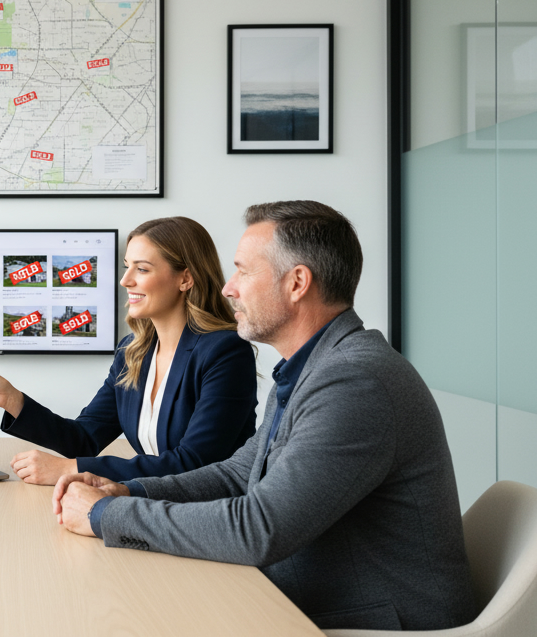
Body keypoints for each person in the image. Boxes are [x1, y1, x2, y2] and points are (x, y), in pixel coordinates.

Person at [53, 201, 475, 632]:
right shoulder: (310, 368)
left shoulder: (354, 381)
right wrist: (127, 490)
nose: (227, 288)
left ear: (297, 283)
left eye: (243, 272)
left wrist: (106, 515)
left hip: (374, 623)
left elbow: (259, 528)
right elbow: (238, 474)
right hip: (298, 598)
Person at [0, 217, 258, 483]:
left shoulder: (225, 351)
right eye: (127, 266)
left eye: (142, 269)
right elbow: (84, 439)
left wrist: (71, 469)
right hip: (157, 502)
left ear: (185, 278)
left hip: (213, 509)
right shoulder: (133, 351)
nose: (125, 280)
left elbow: (194, 463)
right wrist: (12, 400)